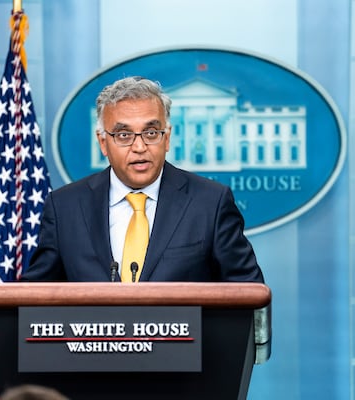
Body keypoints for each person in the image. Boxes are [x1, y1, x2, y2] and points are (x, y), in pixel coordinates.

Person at [21, 76, 264, 283]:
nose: (139, 146)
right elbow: (36, 298)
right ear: (103, 143)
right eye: (124, 135)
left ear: (166, 138)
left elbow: (249, 295)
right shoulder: (65, 206)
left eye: (150, 133)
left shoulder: (210, 203)